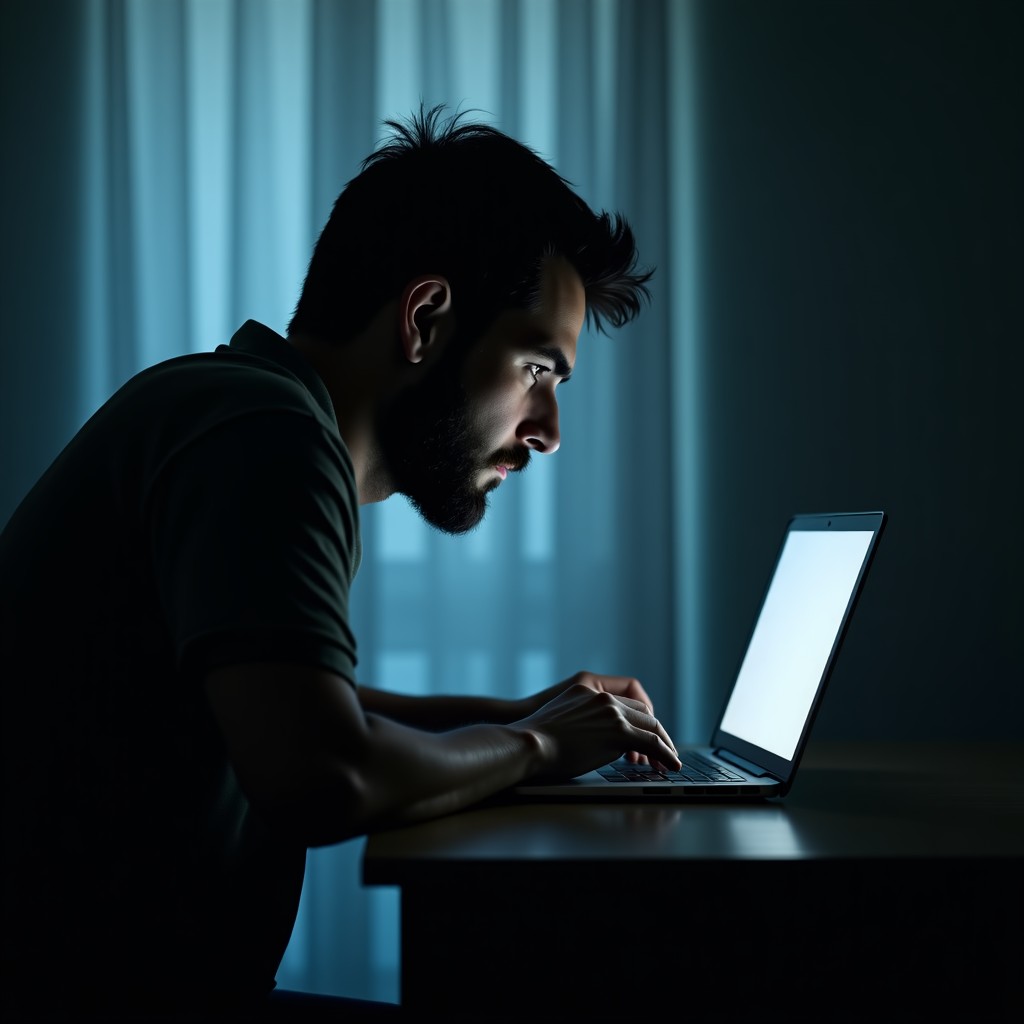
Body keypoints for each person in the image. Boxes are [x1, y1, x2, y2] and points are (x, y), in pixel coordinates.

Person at [0, 105, 679, 1021]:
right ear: (426, 318)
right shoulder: (265, 439)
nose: (549, 432)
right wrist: (543, 746)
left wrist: (518, 716)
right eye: (537, 370)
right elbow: (323, 771)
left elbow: (301, 707)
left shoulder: (234, 409)